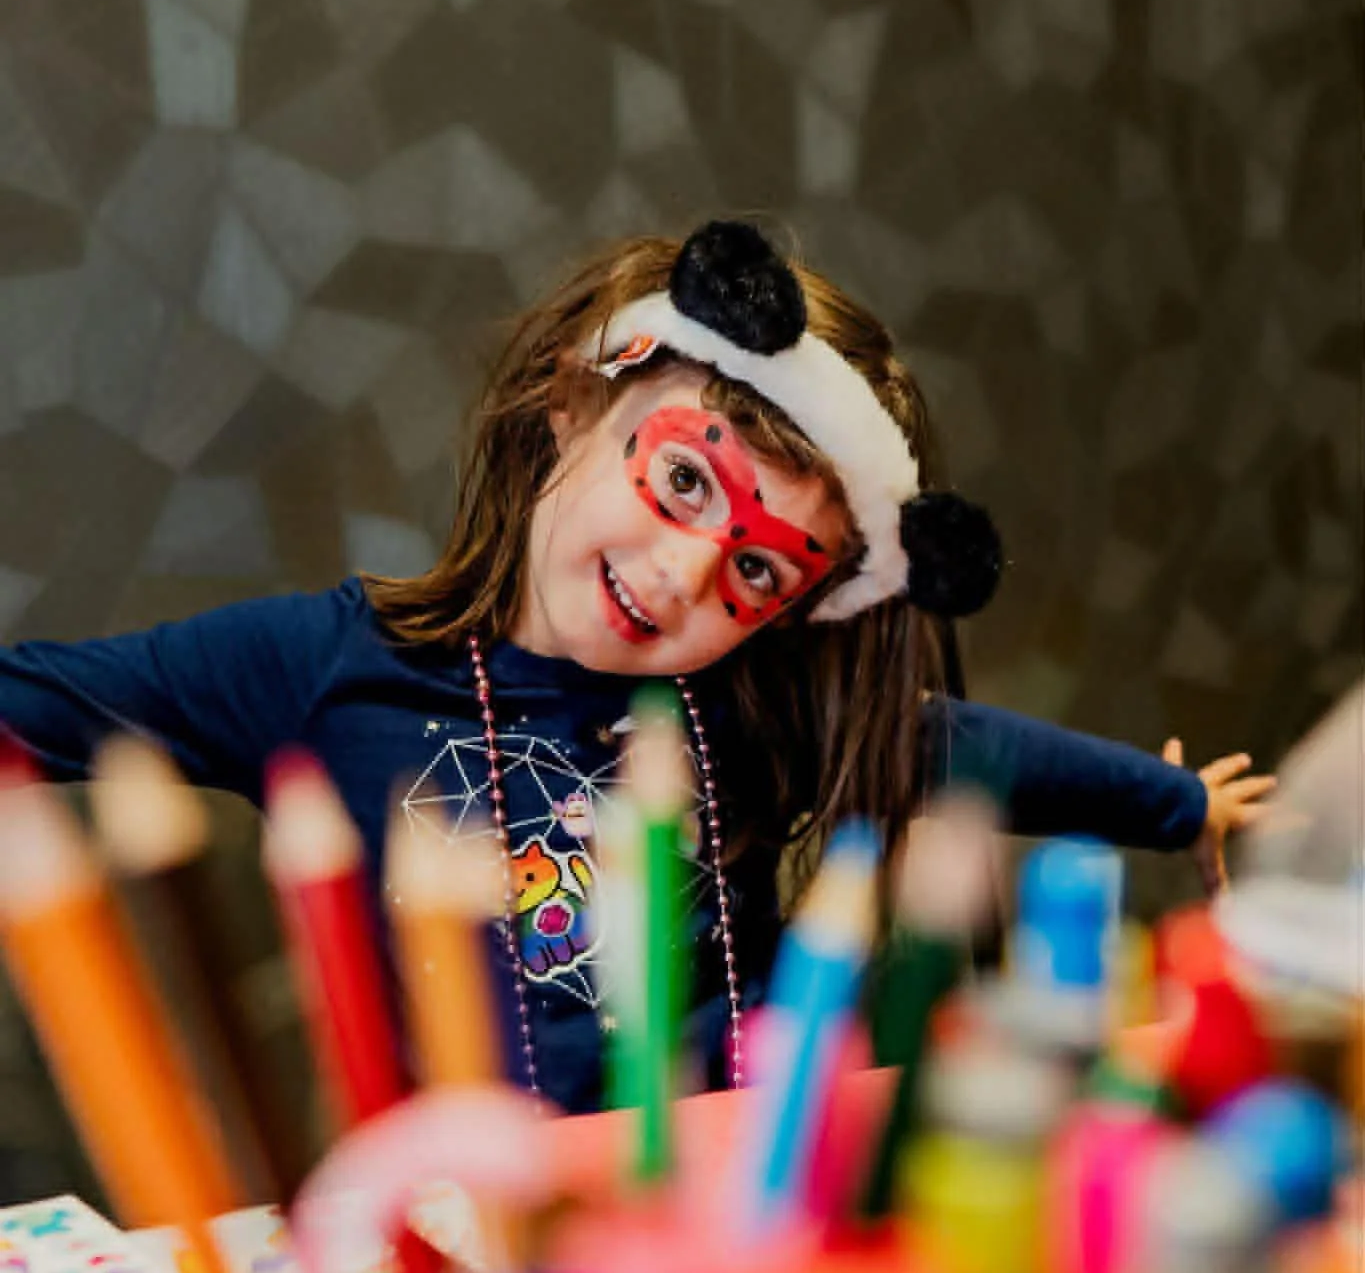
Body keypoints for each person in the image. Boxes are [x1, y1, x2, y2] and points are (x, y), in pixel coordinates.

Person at [0, 223, 1274, 1112]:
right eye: (682, 479)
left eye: (758, 569)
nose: (682, 573)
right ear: (568, 404)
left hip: (729, 1232)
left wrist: (1180, 805)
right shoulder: (321, 668)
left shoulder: (757, 709)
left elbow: (964, 745)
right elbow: (42, 703)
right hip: (474, 1257)